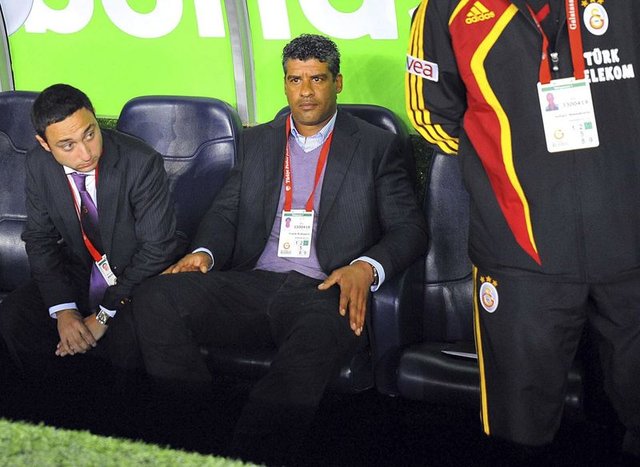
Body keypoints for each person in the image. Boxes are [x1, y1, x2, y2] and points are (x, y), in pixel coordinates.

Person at [133, 33, 427, 463]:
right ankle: (197, 433)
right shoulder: (258, 141)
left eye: (317, 79)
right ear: (285, 83)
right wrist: (204, 253)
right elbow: (225, 213)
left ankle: (251, 453)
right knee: (155, 296)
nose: (305, 91)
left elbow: (409, 228)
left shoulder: (375, 146)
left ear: (338, 82)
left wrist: (365, 267)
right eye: (295, 79)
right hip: (253, 283)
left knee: (306, 355)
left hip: (325, 290)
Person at [406, 0, 639, 461]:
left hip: (630, 242)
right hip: (519, 251)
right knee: (519, 429)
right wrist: (501, 166)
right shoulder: (445, 9)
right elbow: (429, 112)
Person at [0, 84, 181, 398]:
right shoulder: (38, 164)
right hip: (81, 269)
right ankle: (56, 404)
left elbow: (157, 248)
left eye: (90, 134)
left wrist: (105, 313)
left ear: (96, 120)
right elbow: (40, 239)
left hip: (136, 278)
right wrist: (64, 310)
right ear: (44, 144)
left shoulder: (140, 162)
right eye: (67, 145)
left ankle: (116, 413)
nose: (85, 153)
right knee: (15, 316)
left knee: (126, 338)